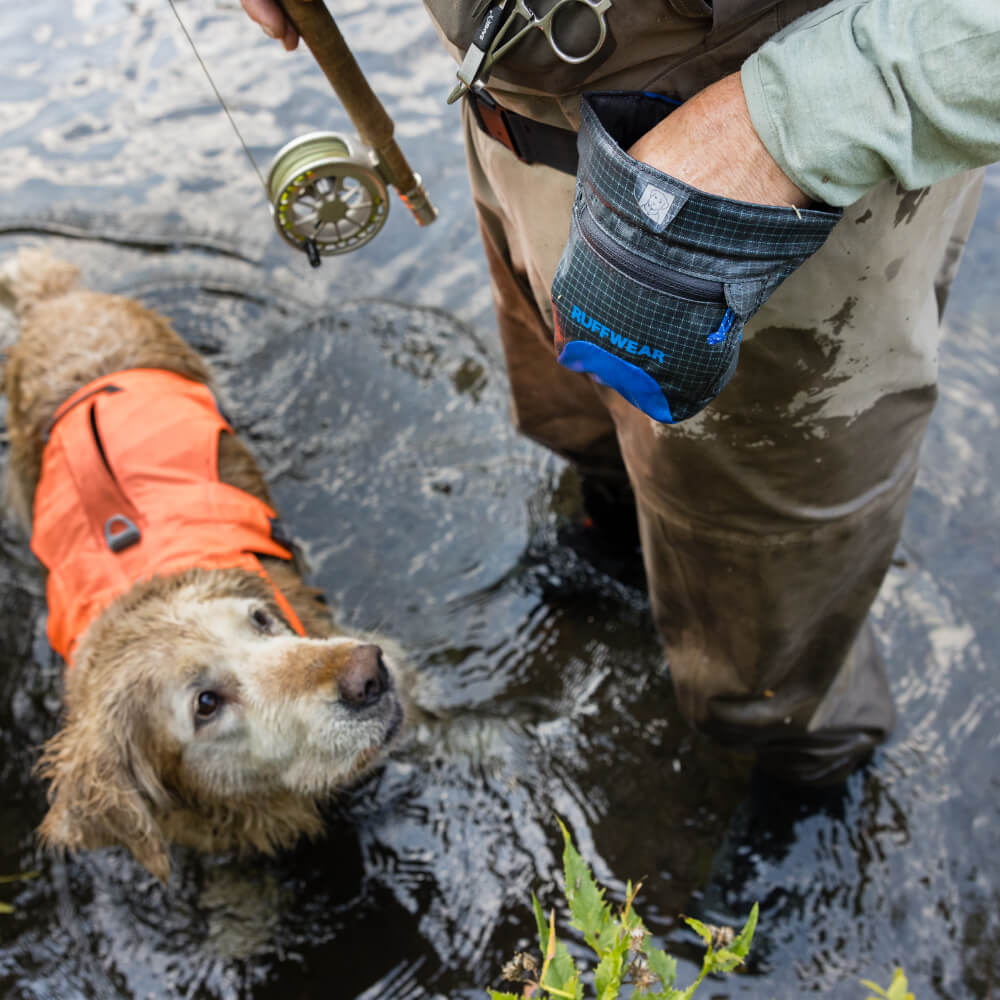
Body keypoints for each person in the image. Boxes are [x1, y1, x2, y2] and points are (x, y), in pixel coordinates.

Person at [241, 0, 1000, 785]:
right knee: (583, 434)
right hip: (519, 120)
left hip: (771, 190)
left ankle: (794, 778)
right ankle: (616, 546)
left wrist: (790, 119)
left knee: (770, 650)